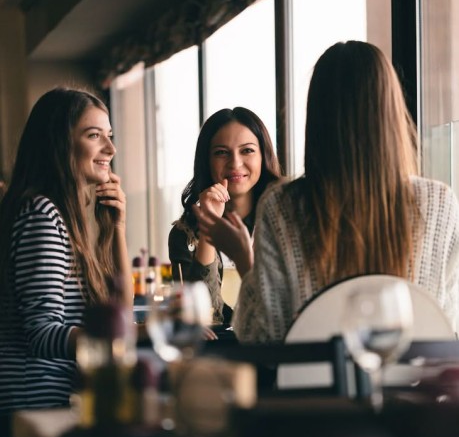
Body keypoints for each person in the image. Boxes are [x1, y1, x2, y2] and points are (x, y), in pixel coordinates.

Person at [197, 41, 459, 342]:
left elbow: (265, 338)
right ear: (391, 111)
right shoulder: (440, 203)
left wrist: (244, 259)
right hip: (416, 385)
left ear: (317, 116)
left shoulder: (282, 206)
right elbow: (444, 323)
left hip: (314, 388)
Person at [0, 87, 133, 416]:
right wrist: (126, 339)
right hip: (28, 407)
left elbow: (121, 310)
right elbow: (41, 333)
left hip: (41, 403)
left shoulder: (58, 215)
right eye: (94, 135)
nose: (110, 148)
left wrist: (117, 230)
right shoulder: (41, 215)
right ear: (59, 144)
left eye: (110, 135)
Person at [169, 107, 281, 327]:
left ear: (263, 156)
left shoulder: (284, 222)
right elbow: (200, 320)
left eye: (247, 150)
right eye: (221, 152)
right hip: (216, 355)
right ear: (207, 161)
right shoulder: (185, 234)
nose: (235, 163)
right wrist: (208, 229)